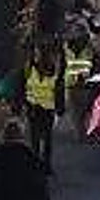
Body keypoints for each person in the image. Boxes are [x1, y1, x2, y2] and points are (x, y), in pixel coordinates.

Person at [24, 43, 64, 174]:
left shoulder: (54, 71)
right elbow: (23, 86)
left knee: (47, 139)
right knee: (35, 139)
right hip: (33, 109)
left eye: (37, 54)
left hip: (47, 110)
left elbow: (59, 90)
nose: (35, 56)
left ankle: (46, 165)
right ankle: (35, 164)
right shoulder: (30, 68)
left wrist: (59, 109)